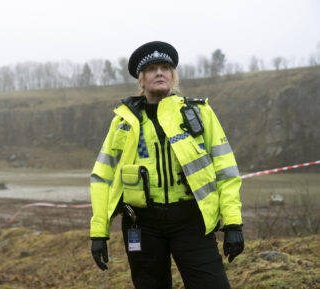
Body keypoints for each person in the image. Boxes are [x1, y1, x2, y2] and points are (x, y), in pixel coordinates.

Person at [90, 41, 244, 289]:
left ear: (173, 76)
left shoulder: (199, 113)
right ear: (141, 80)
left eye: (165, 67)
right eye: (151, 69)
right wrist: (99, 232)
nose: (159, 72)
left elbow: (226, 170)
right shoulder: (123, 121)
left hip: (192, 220)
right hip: (141, 224)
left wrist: (233, 223)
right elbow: (101, 176)